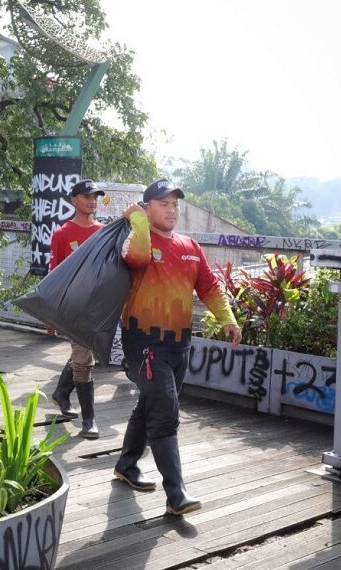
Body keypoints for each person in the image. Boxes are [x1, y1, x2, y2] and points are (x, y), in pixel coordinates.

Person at [113, 178, 242, 515]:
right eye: (163, 204)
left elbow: (209, 285)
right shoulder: (136, 240)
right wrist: (137, 221)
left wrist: (227, 318)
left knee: (151, 404)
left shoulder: (189, 245)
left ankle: (126, 466)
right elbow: (137, 258)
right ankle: (176, 495)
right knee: (165, 411)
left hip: (178, 344)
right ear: (147, 207)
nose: (171, 211)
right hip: (143, 342)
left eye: (175, 205)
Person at [48, 178, 106, 439]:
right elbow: (54, 275)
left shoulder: (103, 232)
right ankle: (89, 419)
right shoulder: (62, 235)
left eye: (95, 196)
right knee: (84, 359)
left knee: (83, 352)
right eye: (86, 196)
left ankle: (62, 392)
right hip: (73, 307)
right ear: (74, 200)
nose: (92, 200)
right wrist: (50, 313)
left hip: (97, 307)